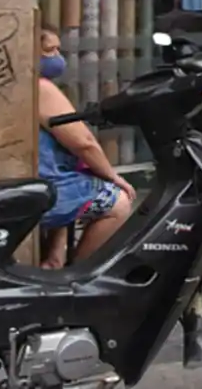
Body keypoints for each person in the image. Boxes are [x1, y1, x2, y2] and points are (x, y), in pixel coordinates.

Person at [35, 28, 134, 269]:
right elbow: (83, 143)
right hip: (46, 184)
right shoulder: (41, 88)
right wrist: (114, 176)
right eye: (49, 51)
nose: (57, 58)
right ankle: (78, 275)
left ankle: (55, 260)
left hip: (45, 177)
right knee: (118, 202)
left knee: (76, 182)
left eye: (59, 50)